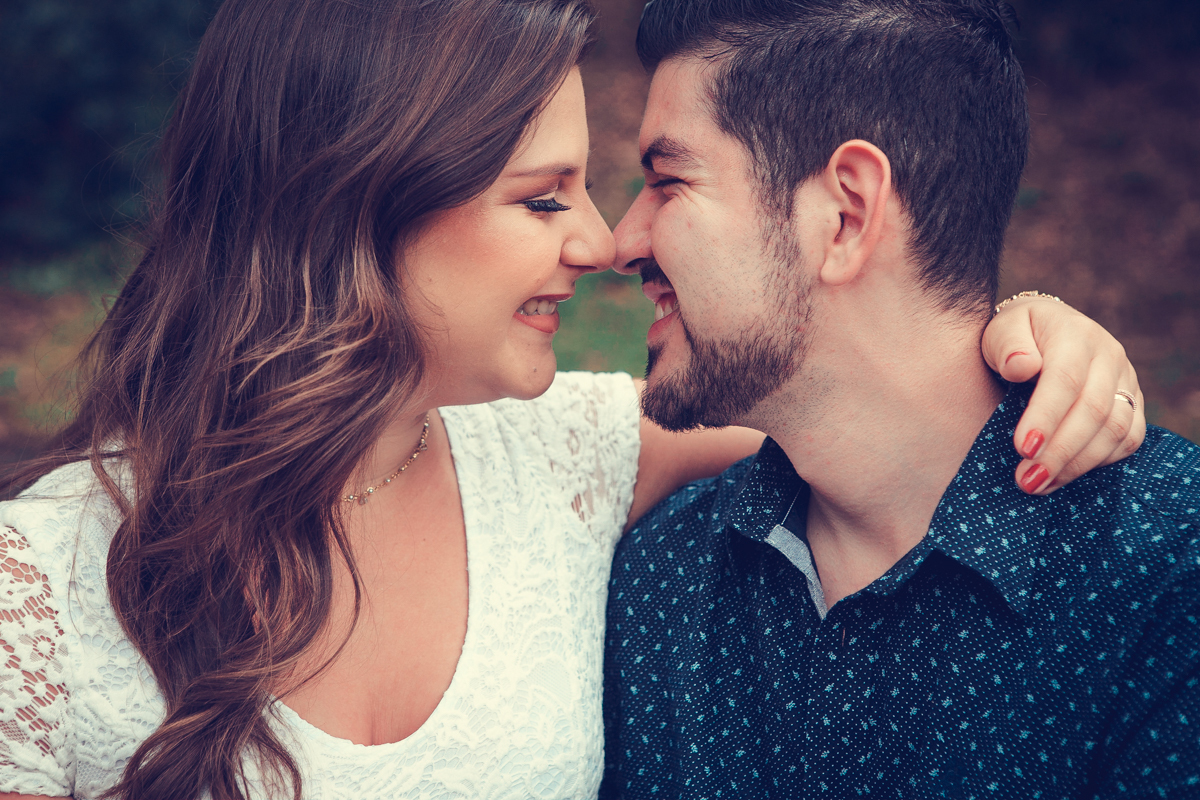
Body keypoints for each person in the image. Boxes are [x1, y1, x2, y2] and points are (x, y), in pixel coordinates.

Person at [0, 0, 1146, 799]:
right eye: (544, 198)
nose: (602, 240)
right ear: (352, 208)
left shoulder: (567, 455)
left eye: (614, 186)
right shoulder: (40, 580)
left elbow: (865, 384)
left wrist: (1030, 331)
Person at [601, 1, 1200, 798]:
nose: (620, 241)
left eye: (669, 182)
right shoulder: (657, 585)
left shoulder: (1165, 577)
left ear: (846, 214)